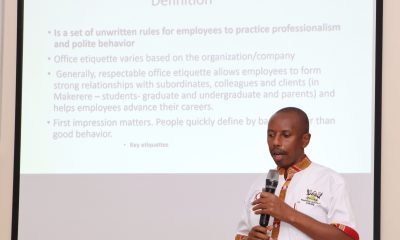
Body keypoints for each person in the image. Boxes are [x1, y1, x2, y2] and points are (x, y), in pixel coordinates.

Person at [234, 107, 359, 240]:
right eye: (271, 135)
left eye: (285, 135)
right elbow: (240, 235)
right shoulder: (258, 184)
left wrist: (287, 213)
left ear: (305, 140)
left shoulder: (330, 181)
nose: (275, 142)